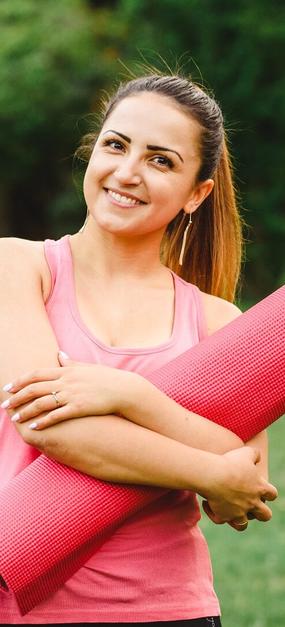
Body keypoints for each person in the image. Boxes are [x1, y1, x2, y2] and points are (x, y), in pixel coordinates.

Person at [0, 72, 277, 626]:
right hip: (25, 609)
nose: (126, 173)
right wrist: (209, 468)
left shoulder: (220, 321)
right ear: (93, 151)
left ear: (198, 193)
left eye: (161, 160)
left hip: (172, 611)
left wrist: (130, 396)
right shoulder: (18, 267)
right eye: (116, 145)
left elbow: (242, 489)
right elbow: (46, 424)